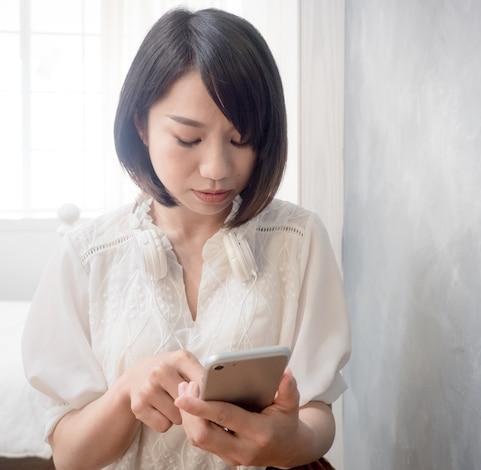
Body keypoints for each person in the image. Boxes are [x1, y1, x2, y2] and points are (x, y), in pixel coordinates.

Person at [22, 7, 350, 470]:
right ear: (142, 125)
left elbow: (319, 414)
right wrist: (126, 394)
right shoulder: (87, 256)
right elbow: (69, 455)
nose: (217, 169)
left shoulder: (297, 240)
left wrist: (291, 439)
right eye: (188, 140)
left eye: (241, 140)